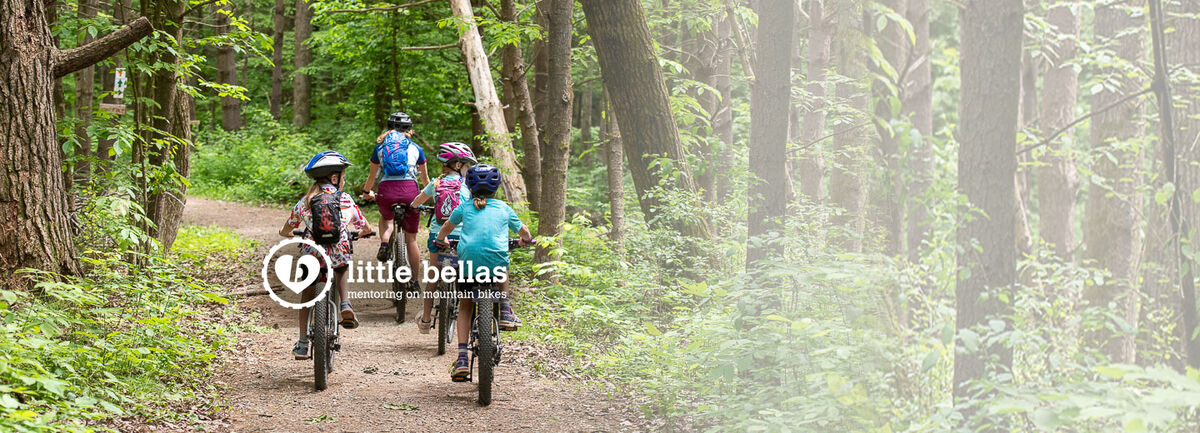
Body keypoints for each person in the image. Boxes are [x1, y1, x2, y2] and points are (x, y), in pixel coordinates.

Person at [435, 164, 532, 381]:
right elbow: (523, 230)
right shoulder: (504, 209)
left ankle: (461, 358)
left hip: (468, 263)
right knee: (501, 265)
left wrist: (440, 241)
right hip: (495, 262)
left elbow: (446, 229)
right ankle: (505, 309)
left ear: (469, 186)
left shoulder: (464, 207)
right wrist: (526, 240)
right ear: (496, 187)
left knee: (466, 304)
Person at [279, 151, 372, 360]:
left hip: (313, 253)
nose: (344, 179)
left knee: (307, 292)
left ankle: (303, 342)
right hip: (338, 250)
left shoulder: (305, 201)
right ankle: (345, 303)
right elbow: (365, 226)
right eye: (343, 176)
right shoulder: (345, 199)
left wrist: (287, 233)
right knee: (342, 267)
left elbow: (287, 228)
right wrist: (363, 232)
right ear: (334, 178)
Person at [409, 143, 476, 334]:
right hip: (462, 237)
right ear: (457, 165)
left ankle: (426, 320)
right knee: (465, 274)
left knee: (433, 276)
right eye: (465, 165)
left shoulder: (436, 183)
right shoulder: (467, 185)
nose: (467, 169)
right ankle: (469, 318)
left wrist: (416, 206)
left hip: (438, 236)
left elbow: (416, 202)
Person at [362, 112, 429, 278]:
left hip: (387, 192)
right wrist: (430, 195)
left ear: (388, 128)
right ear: (409, 130)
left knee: (386, 218)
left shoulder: (379, 148)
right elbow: (424, 178)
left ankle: (385, 243)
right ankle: (414, 281)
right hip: (410, 192)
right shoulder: (416, 149)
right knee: (411, 239)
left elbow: (372, 177)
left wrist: (366, 192)